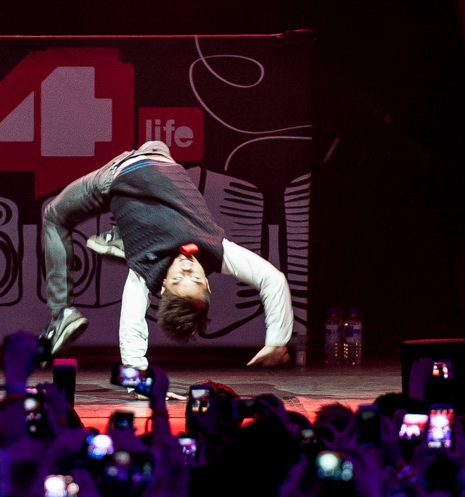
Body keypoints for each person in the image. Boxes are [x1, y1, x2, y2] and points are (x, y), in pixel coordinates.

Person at [37, 140, 291, 369]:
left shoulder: (146, 273)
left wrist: (141, 385)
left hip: (119, 174)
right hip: (159, 158)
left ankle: (62, 313)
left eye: (179, 280)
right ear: (209, 285)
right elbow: (272, 279)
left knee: (54, 216)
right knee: (157, 145)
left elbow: (131, 326)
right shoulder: (217, 249)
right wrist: (277, 342)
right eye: (197, 279)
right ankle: (124, 238)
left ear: (162, 286)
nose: (187, 269)